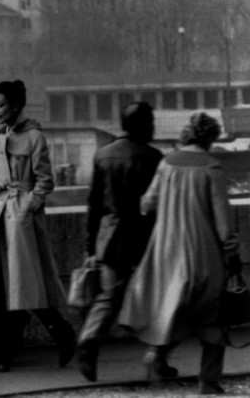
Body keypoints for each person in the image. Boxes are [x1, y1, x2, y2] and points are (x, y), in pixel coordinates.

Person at [119, 112, 242, 396]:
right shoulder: (212, 168)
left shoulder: (167, 162)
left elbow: (147, 204)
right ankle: (208, 382)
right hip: (203, 252)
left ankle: (157, 355)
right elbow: (224, 225)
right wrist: (233, 257)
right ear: (210, 137)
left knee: (174, 309)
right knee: (212, 317)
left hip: (167, 250)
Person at [0, 79, 75, 372]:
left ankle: (61, 333)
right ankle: (1, 354)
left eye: (1, 105)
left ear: (16, 105)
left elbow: (45, 181)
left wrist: (28, 206)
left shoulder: (34, 137)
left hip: (20, 218)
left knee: (25, 283)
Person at [76, 102, 163, 382]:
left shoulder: (103, 155)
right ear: (142, 125)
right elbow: (156, 205)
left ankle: (89, 337)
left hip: (110, 237)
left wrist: (91, 247)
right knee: (159, 298)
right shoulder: (152, 157)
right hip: (145, 239)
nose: (153, 127)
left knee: (108, 297)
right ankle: (158, 358)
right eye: (150, 122)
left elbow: (94, 205)